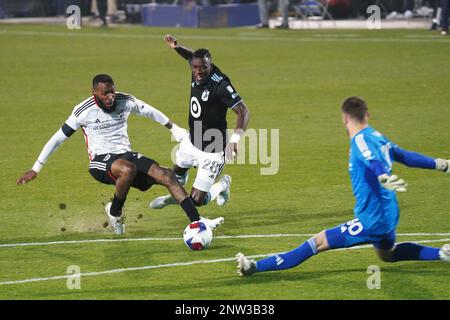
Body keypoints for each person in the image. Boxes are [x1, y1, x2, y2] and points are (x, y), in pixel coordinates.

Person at [236, 96, 450, 276]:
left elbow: (372, 161)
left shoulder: (360, 141)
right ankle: (442, 254)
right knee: (388, 254)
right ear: (367, 115)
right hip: (389, 212)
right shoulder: (376, 135)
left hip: (372, 219)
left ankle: (253, 267)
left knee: (317, 242)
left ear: (345, 118)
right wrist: (441, 164)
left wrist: (383, 176)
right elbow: (405, 156)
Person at [17, 74, 224, 235]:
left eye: (112, 92)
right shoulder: (83, 112)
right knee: (128, 169)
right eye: (105, 93)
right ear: (94, 93)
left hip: (126, 154)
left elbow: (149, 110)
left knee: (167, 175)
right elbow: (57, 139)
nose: (110, 97)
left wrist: (173, 128)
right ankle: (115, 211)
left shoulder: (125, 101)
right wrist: (36, 168)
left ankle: (197, 221)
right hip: (100, 161)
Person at [149, 35, 250, 210]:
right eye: (195, 67)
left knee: (197, 201)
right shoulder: (195, 69)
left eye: (203, 67)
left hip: (213, 148)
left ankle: (223, 185)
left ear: (210, 65)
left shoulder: (220, 85)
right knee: (174, 176)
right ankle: (175, 197)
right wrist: (176, 47)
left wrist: (234, 141)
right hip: (192, 139)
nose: (198, 71)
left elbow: (244, 111)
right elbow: (190, 56)